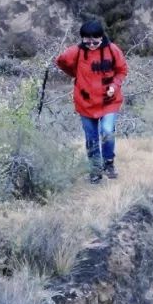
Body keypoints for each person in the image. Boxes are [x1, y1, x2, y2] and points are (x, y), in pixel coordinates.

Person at [56, 17, 128, 183]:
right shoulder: (77, 51)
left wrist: (115, 85)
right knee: (91, 138)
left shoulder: (113, 50)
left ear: (101, 37)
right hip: (85, 102)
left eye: (95, 42)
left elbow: (122, 70)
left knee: (107, 131)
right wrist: (76, 74)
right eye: (87, 42)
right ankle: (95, 169)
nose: (91, 45)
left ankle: (108, 162)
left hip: (109, 100)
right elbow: (61, 61)